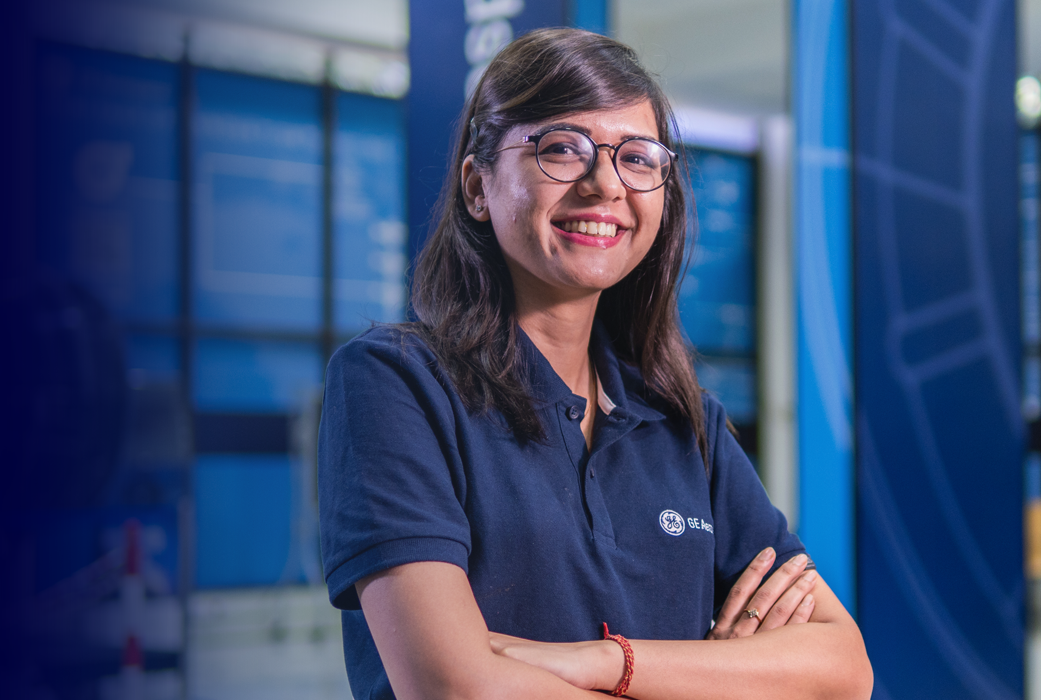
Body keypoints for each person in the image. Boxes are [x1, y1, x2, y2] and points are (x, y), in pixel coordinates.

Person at [317, 28, 873, 700]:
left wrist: (606, 662)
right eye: (561, 149)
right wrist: (711, 679)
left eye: (637, 159)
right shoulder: (396, 384)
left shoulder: (684, 426)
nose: (604, 184)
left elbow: (843, 667)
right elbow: (458, 691)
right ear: (476, 186)